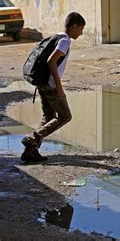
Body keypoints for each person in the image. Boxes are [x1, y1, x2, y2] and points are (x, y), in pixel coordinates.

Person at [21, 12, 85, 162]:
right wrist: (59, 87)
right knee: (65, 116)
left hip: (42, 82)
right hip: (50, 84)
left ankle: (31, 151)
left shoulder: (57, 36)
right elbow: (51, 61)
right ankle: (32, 139)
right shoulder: (65, 41)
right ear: (74, 26)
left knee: (48, 117)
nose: (81, 33)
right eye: (81, 29)